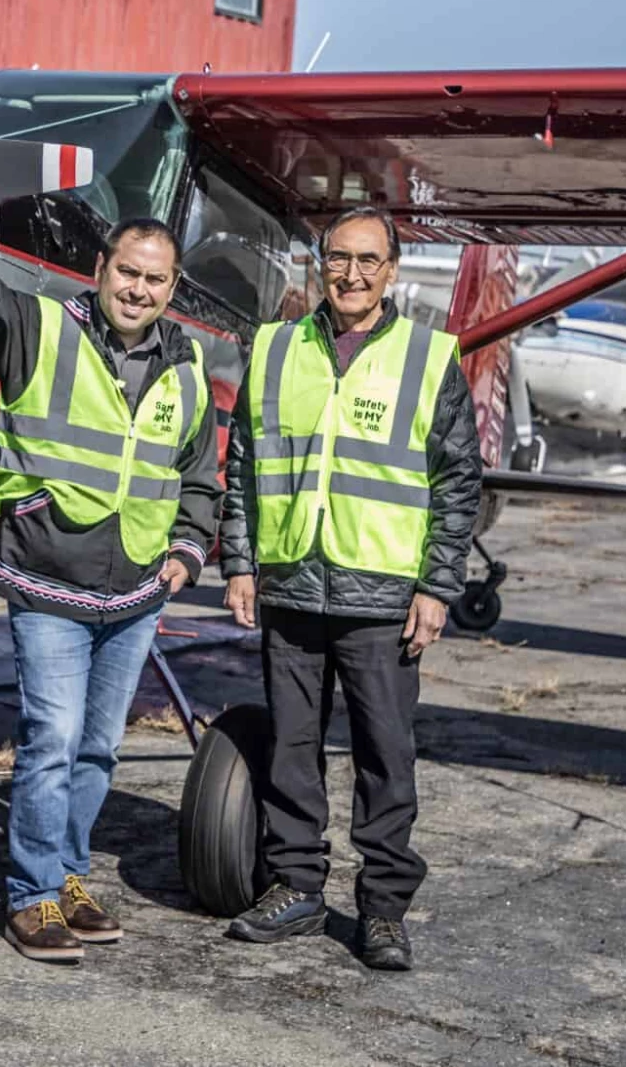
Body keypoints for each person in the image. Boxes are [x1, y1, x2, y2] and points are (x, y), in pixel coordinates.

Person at [0, 204, 219, 964]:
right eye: (127, 273)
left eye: (155, 279)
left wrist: (188, 549)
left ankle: (71, 874)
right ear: (100, 270)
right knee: (52, 742)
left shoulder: (187, 363)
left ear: (172, 288)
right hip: (48, 581)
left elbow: (198, 474)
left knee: (99, 748)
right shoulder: (38, 328)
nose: (138, 290)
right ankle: (32, 896)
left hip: (138, 592)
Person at [218, 206, 482, 971]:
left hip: (385, 593)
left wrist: (437, 586)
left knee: (384, 756)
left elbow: (458, 480)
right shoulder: (272, 348)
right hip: (294, 582)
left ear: (392, 271)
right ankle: (296, 885)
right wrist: (240, 561)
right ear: (319, 263)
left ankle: (384, 909)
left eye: (370, 260)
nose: (353, 274)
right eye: (340, 258)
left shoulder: (430, 358)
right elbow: (243, 465)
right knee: (292, 751)